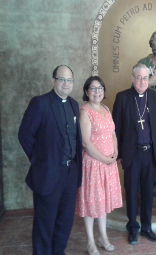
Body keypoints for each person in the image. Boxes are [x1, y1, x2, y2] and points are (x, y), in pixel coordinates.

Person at [18, 65, 82, 254]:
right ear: (53, 81)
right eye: (62, 79)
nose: (65, 84)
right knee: (44, 222)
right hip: (48, 173)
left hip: (70, 174)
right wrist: (40, 160)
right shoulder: (40, 103)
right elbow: (25, 135)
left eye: (69, 80)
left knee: (65, 220)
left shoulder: (74, 104)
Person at [112, 63, 156, 245]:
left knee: (148, 193)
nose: (142, 81)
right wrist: (118, 152)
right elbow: (116, 128)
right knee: (132, 192)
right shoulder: (123, 98)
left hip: (150, 154)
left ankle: (147, 228)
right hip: (131, 155)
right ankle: (133, 228)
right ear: (132, 79)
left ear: (149, 79)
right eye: (139, 77)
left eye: (145, 77)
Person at [75, 76, 122, 255]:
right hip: (93, 165)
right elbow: (86, 143)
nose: (97, 92)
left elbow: (113, 134)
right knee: (91, 204)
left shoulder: (105, 108)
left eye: (100, 88)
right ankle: (90, 242)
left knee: (102, 203)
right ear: (86, 92)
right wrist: (104, 158)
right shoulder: (84, 111)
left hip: (108, 165)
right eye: (93, 89)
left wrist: (115, 152)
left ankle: (103, 237)